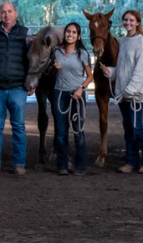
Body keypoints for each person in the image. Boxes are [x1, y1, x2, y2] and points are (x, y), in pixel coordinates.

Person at [0, 1, 34, 175]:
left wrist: (32, 82)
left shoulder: (27, 34)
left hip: (18, 87)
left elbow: (34, 60)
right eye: (3, 12)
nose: (6, 15)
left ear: (16, 13)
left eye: (9, 11)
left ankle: (19, 163)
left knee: (18, 126)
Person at [107, 10, 143, 174]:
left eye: (131, 20)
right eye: (125, 20)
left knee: (137, 127)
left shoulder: (141, 42)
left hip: (134, 95)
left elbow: (142, 69)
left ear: (138, 23)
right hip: (123, 94)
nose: (128, 23)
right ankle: (131, 160)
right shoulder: (123, 41)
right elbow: (123, 68)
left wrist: (130, 90)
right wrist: (112, 72)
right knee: (129, 128)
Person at [51, 22, 92, 176]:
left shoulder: (83, 54)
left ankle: (80, 165)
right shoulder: (56, 52)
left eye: (74, 32)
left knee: (78, 130)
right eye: (68, 32)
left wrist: (81, 88)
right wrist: (54, 69)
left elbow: (90, 76)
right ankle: (62, 165)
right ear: (65, 34)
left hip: (77, 95)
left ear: (78, 36)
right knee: (61, 130)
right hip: (60, 93)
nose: (70, 34)